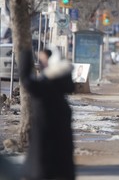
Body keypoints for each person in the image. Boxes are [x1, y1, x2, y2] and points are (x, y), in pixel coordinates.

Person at [20, 47, 75, 180]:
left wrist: (25, 52)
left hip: (45, 159)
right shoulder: (60, 94)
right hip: (62, 162)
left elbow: (26, 79)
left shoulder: (45, 90)